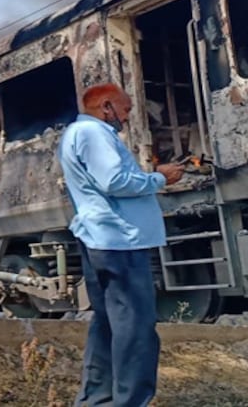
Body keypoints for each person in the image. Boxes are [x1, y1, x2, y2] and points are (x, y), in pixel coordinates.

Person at [57, 83, 184, 407]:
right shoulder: (93, 133)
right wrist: (159, 177)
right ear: (106, 106)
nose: (127, 118)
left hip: (104, 239)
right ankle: (129, 402)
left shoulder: (78, 133)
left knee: (108, 325)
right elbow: (114, 182)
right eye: (125, 110)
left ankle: (96, 401)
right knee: (136, 329)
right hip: (119, 241)